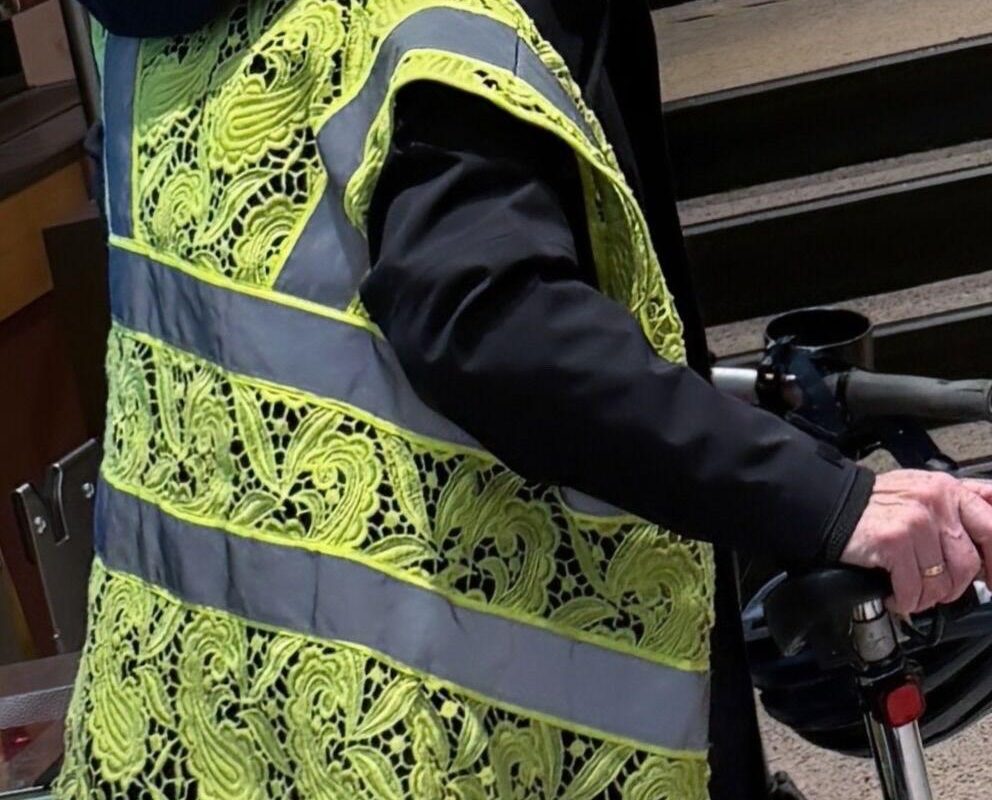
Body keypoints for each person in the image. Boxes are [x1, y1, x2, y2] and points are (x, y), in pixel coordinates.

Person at [58, 1, 992, 798]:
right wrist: (824, 500)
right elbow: (492, 325)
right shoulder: (426, 18)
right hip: (440, 734)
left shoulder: (159, 37)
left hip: (190, 715)